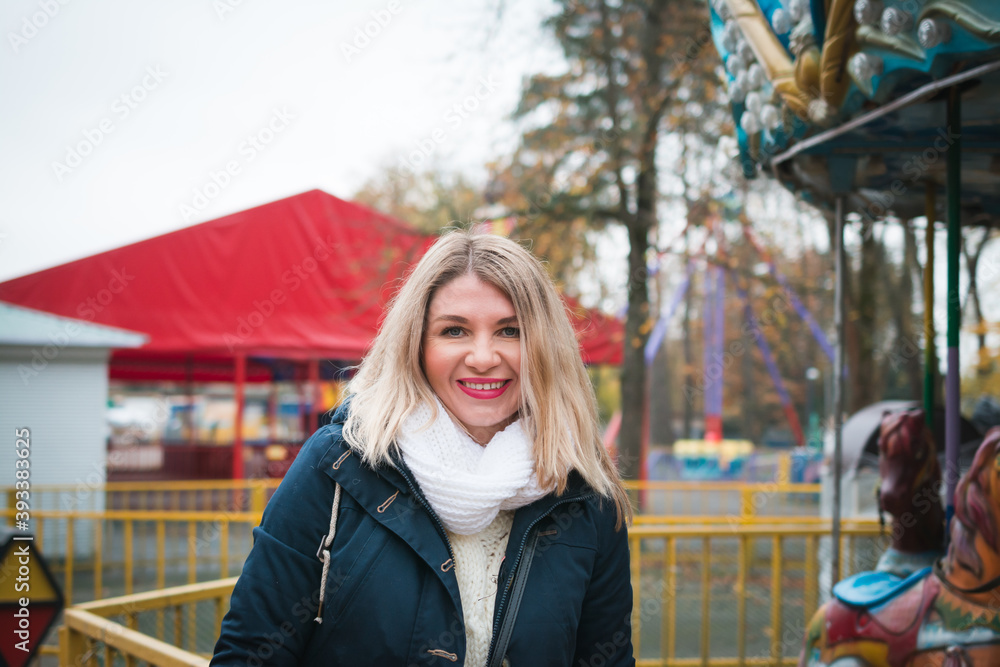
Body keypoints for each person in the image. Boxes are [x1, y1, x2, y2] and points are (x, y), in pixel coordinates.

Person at [211, 230, 635, 666]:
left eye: (510, 331)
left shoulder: (586, 495)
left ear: (546, 346)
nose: (484, 356)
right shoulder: (337, 464)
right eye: (454, 330)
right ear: (416, 344)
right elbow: (249, 655)